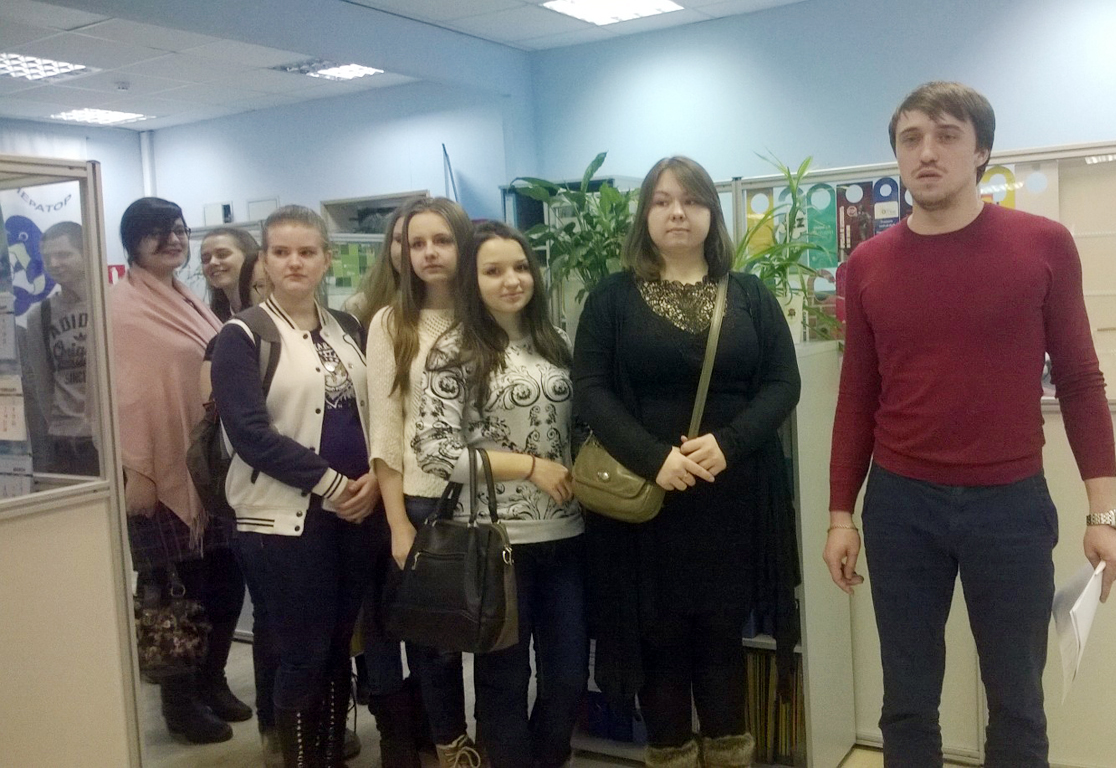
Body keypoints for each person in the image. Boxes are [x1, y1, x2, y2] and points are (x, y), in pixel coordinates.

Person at [823, 81, 1116, 768]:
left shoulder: (1043, 245)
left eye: (947, 135)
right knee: (907, 700)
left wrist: (1105, 513)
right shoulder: (866, 265)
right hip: (900, 504)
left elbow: (1080, 381)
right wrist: (841, 515)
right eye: (911, 139)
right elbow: (857, 395)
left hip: (1010, 505)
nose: (927, 152)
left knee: (1017, 701)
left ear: (982, 150)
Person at [573, 157, 801, 767]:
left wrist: (730, 442)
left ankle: (729, 753)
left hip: (732, 499)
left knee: (724, 639)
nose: (678, 212)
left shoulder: (750, 295)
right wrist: (654, 459)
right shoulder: (611, 298)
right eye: (662, 201)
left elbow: (784, 383)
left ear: (711, 214)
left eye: (692, 200)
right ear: (644, 215)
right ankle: (670, 754)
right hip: (645, 504)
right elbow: (590, 390)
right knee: (659, 643)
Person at [413, 220, 586, 768]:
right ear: (472, 279)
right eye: (493, 271)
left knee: (568, 676)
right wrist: (529, 467)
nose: (511, 280)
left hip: (567, 533)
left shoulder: (555, 339)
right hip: (496, 542)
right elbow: (435, 451)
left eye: (520, 267)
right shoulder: (454, 350)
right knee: (505, 679)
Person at [210, 205, 378, 767]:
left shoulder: (347, 327)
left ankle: (329, 756)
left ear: (327, 259)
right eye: (281, 252)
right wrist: (334, 484)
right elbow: (250, 435)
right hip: (282, 520)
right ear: (264, 260)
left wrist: (372, 481)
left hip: (355, 513)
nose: (294, 262)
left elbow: (371, 414)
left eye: (307, 252)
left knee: (336, 648)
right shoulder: (242, 335)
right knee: (302, 653)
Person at [110, 197, 249, 744]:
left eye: (178, 230)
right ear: (131, 241)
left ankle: (212, 681)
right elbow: (124, 398)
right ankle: (180, 701)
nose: (172, 239)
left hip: (207, 467)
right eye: (157, 231)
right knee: (174, 593)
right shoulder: (120, 308)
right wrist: (136, 469)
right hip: (156, 472)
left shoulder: (189, 299)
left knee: (224, 583)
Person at [366, 197, 479, 766]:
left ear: (463, 243)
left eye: (442, 240)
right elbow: (386, 429)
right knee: (434, 644)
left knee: (498, 632)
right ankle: (451, 747)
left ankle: (500, 738)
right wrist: (396, 522)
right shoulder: (391, 322)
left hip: (498, 499)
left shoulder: (489, 311)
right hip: (424, 502)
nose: (429, 253)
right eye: (416, 243)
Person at [23, 221, 98, 475]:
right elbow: (41, 380)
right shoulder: (39, 316)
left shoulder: (113, 303)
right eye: (47, 258)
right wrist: (58, 426)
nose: (54, 263)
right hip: (66, 440)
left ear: (86, 253)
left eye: (63, 254)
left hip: (113, 432)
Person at [201, 227, 261, 321]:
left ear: (248, 256)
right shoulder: (212, 318)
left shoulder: (269, 308)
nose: (212, 262)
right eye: (206, 259)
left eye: (222, 255)